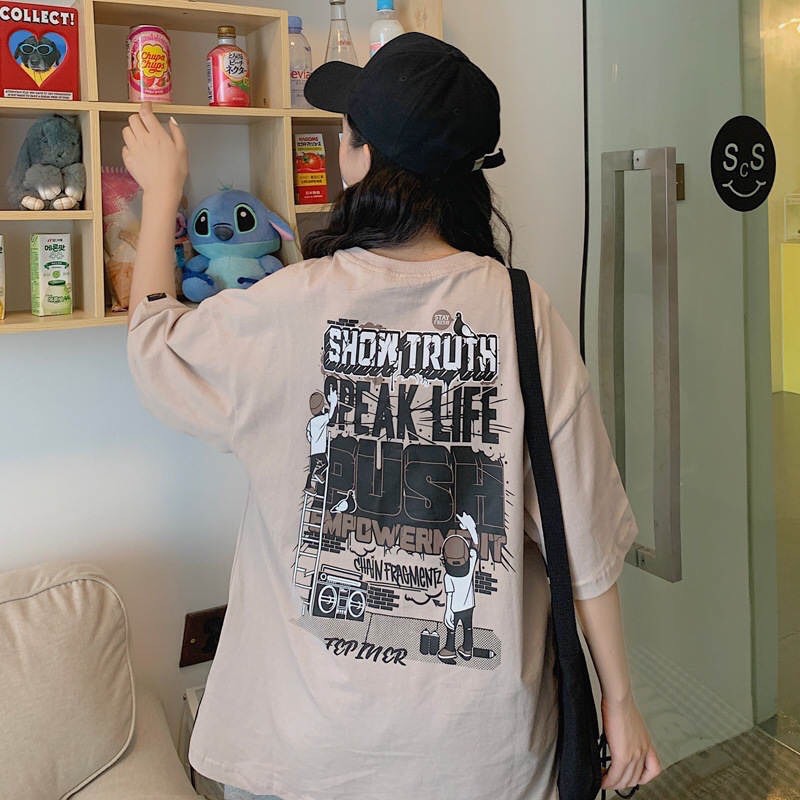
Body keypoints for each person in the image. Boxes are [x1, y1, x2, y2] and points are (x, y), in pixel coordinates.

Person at [124, 32, 662, 800]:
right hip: (488, 754)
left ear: (360, 158)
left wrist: (162, 194)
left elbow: (156, 349)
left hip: (317, 749)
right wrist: (621, 700)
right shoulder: (523, 313)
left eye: (346, 132)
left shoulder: (290, 306)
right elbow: (585, 538)